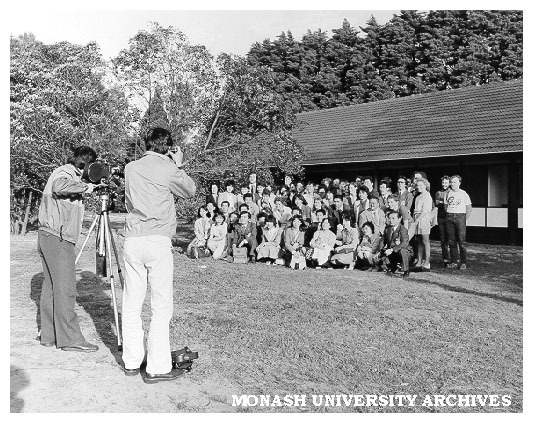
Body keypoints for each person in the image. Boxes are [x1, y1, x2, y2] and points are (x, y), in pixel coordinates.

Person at [122, 127, 196, 382]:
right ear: (168, 146)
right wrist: (179, 164)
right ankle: (157, 366)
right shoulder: (169, 168)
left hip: (133, 238)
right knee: (161, 306)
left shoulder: (130, 167)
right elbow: (189, 191)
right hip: (157, 239)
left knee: (131, 302)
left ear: (146, 144)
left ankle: (132, 361)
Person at [37, 145, 101, 352]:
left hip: (49, 235)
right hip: (58, 237)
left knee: (52, 288)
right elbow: (59, 186)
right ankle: (70, 339)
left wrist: (87, 185)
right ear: (85, 163)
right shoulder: (64, 172)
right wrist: (86, 188)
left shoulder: (71, 175)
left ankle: (49, 335)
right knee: (66, 289)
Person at [444, 175, 472, 270]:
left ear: (459, 183)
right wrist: (450, 215)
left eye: (455, 182)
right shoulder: (447, 193)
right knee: (451, 241)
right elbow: (445, 206)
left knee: (461, 241)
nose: (452, 184)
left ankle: (463, 262)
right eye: (451, 182)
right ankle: (454, 262)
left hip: (460, 217)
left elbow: (469, 208)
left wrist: (463, 219)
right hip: (450, 217)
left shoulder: (463, 194)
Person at [379, 211, 413, 278]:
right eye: (389, 218)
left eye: (393, 218)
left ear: (399, 218)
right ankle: (392, 267)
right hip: (392, 252)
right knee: (382, 254)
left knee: (403, 251)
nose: (391, 220)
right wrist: (381, 249)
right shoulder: (387, 228)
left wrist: (392, 250)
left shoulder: (403, 229)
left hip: (403, 252)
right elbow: (383, 240)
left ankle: (406, 270)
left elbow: (404, 243)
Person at [412, 178, 434, 271]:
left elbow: (425, 211)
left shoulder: (427, 196)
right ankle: (420, 260)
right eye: (417, 185)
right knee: (419, 241)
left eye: (421, 185)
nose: (419, 187)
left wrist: (417, 220)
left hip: (423, 219)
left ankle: (427, 262)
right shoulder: (418, 197)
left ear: (425, 186)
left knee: (425, 241)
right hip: (416, 218)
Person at [435, 175, 451, 267]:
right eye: (443, 182)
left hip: (450, 217)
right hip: (441, 217)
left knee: (451, 239)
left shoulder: (451, 192)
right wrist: (443, 202)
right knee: (443, 239)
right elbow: (437, 204)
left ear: (449, 183)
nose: (444, 184)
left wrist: (442, 202)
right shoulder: (438, 193)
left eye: (446, 182)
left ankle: (454, 259)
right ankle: (445, 259)